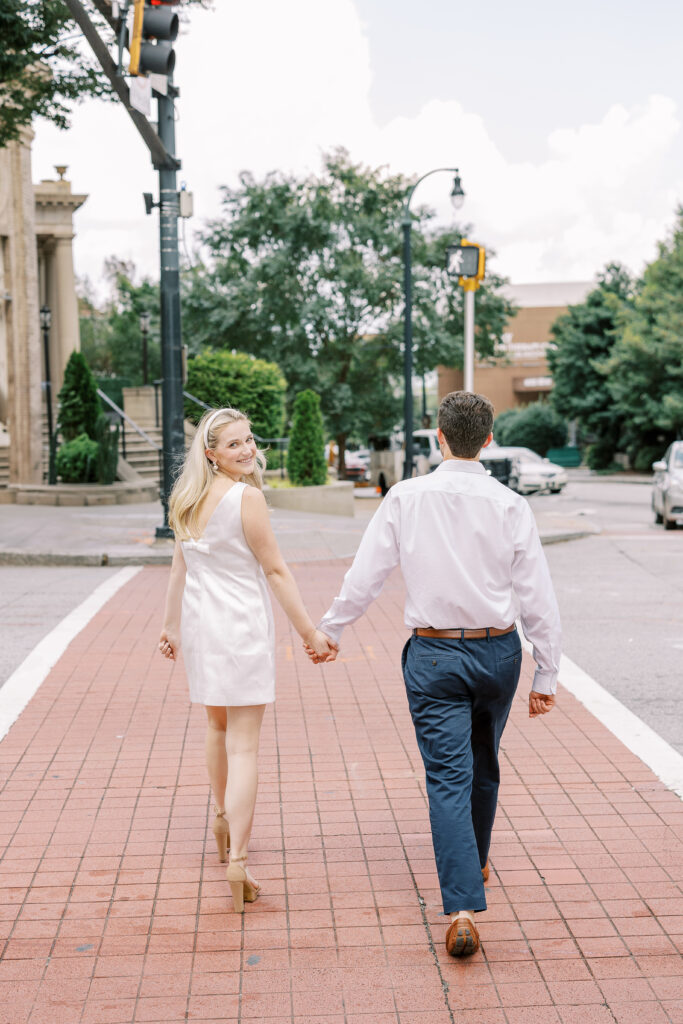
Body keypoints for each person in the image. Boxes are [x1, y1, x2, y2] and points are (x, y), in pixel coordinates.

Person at [307, 391, 561, 957]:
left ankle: (463, 904)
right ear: (488, 440)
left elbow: (368, 571)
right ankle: (475, 860)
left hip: (435, 654)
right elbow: (537, 595)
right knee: (485, 763)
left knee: (449, 776)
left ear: (438, 437)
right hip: (499, 654)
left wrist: (333, 628)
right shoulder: (510, 505)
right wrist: (547, 673)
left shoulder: (406, 497)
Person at [159, 407, 336, 912]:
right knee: (244, 748)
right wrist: (310, 633)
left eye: (250, 440)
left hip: (200, 627)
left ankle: (220, 819)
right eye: (234, 444)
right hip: (238, 629)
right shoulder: (247, 498)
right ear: (210, 453)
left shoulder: (186, 499)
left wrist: (171, 626)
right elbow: (276, 572)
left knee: (216, 729)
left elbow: (179, 569)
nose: (248, 450)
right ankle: (237, 857)